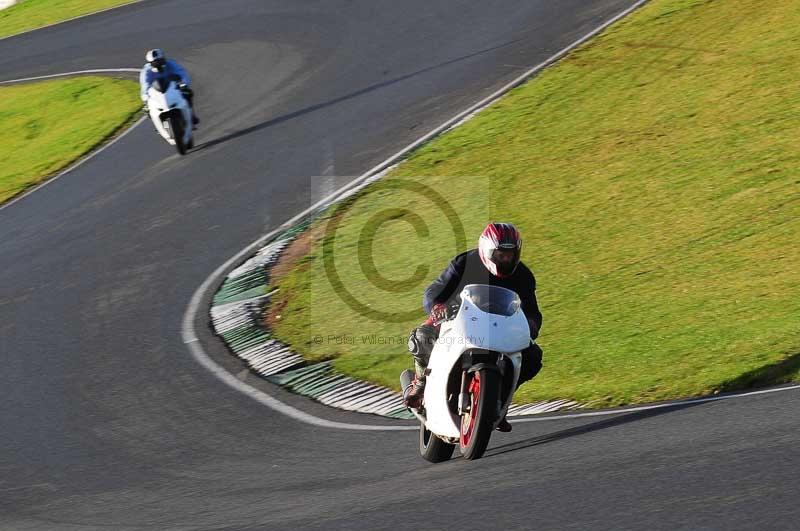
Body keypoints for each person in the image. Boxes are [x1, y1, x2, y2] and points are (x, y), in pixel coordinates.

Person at [404, 222, 543, 432]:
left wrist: (531, 325)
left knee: (532, 358)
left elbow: (533, 312)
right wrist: (437, 307)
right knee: (422, 336)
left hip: (500, 328)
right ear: (487, 250)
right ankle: (421, 381)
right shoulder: (465, 263)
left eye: (510, 255)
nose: (506, 260)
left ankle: (499, 402)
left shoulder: (523, 276)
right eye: (501, 255)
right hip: (458, 320)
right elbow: (434, 291)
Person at [139, 48, 199, 127]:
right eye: (155, 63)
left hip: (172, 88)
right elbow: (144, 85)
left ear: (163, 59)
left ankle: (191, 115)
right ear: (150, 63)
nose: (158, 64)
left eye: (160, 61)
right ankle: (160, 125)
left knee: (188, 93)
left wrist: (184, 84)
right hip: (157, 93)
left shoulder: (171, 64)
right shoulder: (146, 71)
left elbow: (182, 73)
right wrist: (145, 98)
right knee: (148, 109)